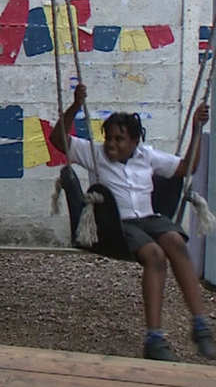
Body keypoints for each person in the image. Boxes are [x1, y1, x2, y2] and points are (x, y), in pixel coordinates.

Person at [49, 83, 215, 362]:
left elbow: (186, 168)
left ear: (134, 142)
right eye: (109, 138)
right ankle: (154, 338)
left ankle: (200, 326)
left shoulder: (146, 156)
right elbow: (57, 139)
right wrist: (75, 107)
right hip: (116, 225)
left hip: (148, 219)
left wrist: (197, 130)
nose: (111, 145)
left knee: (175, 241)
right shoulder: (94, 154)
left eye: (119, 139)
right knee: (155, 256)